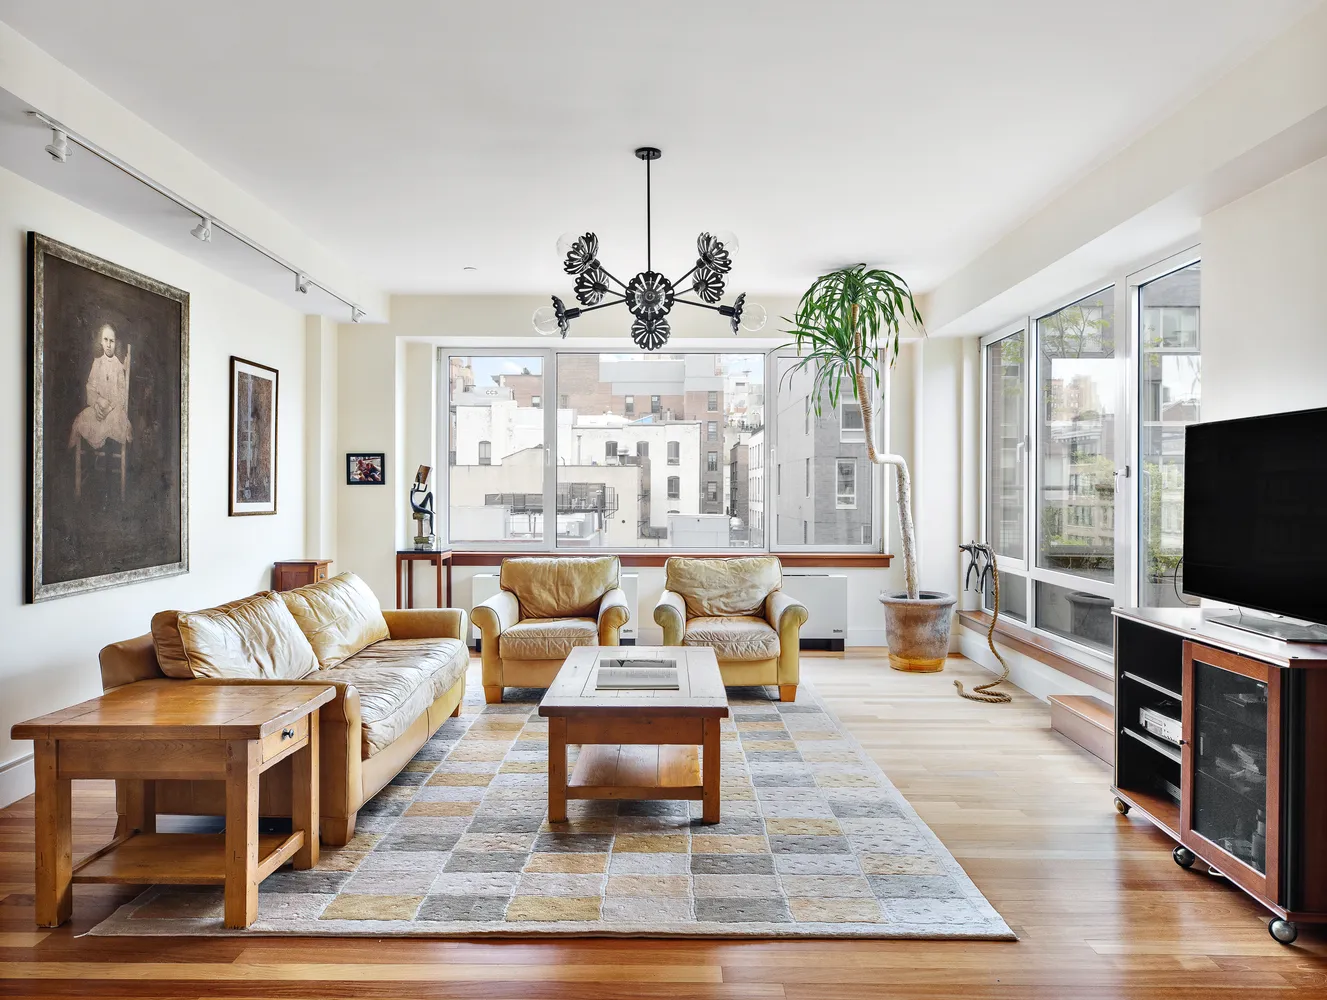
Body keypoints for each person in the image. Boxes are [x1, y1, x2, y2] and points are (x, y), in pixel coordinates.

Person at [69, 324, 132, 451]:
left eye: (112, 341)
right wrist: (97, 403)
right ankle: (91, 457)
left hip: (113, 410)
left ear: (115, 343)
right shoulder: (97, 363)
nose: (108, 345)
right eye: (106, 340)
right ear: (101, 342)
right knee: (83, 419)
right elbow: (90, 388)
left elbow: (121, 393)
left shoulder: (118, 366)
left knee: (114, 421)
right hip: (98, 408)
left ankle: (108, 456)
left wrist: (109, 408)